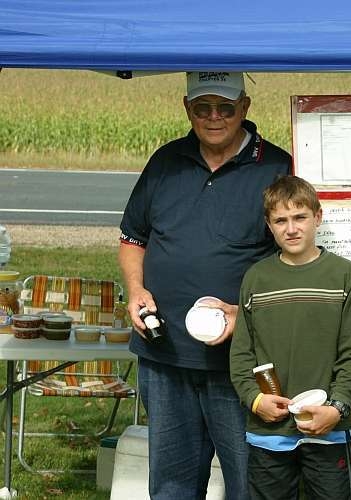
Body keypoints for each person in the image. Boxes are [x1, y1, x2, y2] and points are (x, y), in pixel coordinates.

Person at [118, 71, 292, 499]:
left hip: (241, 364)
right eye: (203, 108)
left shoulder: (278, 167)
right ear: (187, 108)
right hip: (166, 355)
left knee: (249, 481)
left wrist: (243, 313)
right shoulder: (165, 162)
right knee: (172, 483)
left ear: (245, 108)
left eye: (226, 107)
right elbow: (132, 238)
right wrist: (137, 291)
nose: (215, 117)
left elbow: (296, 260)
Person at [230, 175, 351, 500]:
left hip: (328, 427)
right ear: (269, 225)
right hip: (268, 430)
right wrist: (255, 399)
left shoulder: (345, 275)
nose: (291, 229)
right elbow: (241, 354)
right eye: (280, 220)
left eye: (299, 217)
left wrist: (337, 407)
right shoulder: (256, 278)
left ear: (317, 217)